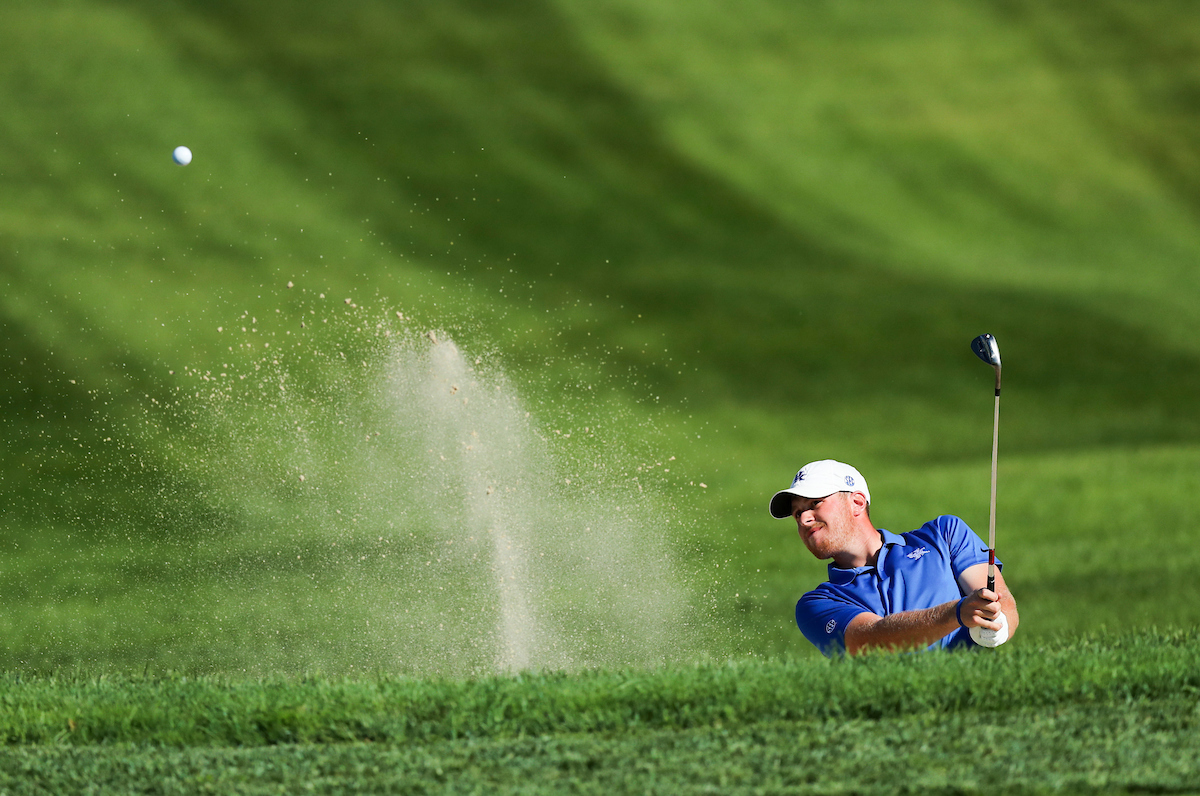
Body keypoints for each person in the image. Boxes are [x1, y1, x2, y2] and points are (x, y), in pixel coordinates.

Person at [769, 459, 1019, 656]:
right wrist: (957, 613)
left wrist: (1000, 625)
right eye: (798, 513)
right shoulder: (817, 604)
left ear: (856, 502)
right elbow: (871, 641)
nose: (803, 519)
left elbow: (999, 600)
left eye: (815, 503)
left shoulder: (944, 534)